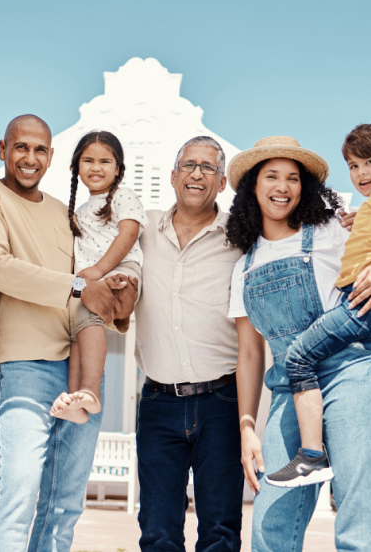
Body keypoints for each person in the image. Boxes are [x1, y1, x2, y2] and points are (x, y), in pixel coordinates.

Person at [0, 114, 138, 552]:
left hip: (78, 366)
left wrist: (120, 291)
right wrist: (82, 285)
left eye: (40, 150)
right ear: (2, 150)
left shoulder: (67, 212)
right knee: (20, 488)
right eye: (21, 147)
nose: (30, 158)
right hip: (26, 361)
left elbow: (98, 278)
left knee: (65, 502)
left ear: (53, 157)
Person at [227, 135, 371, 552]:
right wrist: (247, 427)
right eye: (271, 176)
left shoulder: (332, 229)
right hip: (288, 389)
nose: (283, 186)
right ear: (253, 186)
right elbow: (251, 353)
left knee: (359, 523)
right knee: (270, 524)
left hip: (355, 371)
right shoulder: (244, 265)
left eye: (293, 178)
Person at [267, 124, 371, 487]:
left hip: (366, 299)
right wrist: (359, 222)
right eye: (352, 165)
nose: (361, 173)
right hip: (365, 298)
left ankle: (312, 456)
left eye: (369, 162)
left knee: (299, 357)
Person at [135, 136, 244, 552]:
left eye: (209, 168)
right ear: (174, 175)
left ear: (221, 184)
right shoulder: (142, 229)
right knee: (158, 529)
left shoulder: (240, 235)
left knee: (219, 530)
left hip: (222, 401)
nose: (197, 173)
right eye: (189, 165)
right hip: (158, 402)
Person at [50, 131, 147, 423]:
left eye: (105, 161)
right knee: (78, 328)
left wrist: (100, 271)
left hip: (120, 271)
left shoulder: (123, 196)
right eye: (88, 160)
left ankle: (91, 390)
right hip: (91, 282)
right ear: (75, 167)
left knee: (88, 316)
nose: (96, 167)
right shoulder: (78, 212)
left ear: (118, 169)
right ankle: (76, 401)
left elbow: (129, 233)